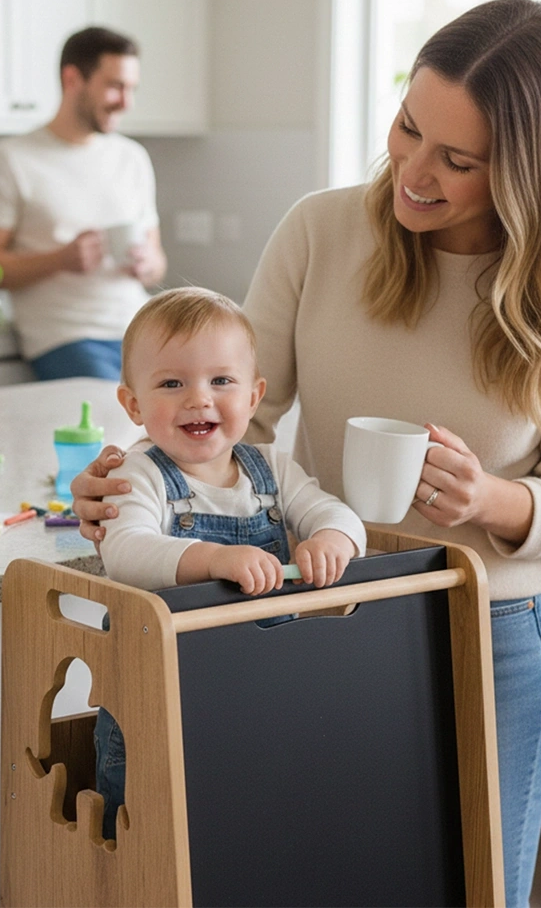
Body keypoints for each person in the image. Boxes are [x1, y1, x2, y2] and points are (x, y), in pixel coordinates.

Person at [71, 0, 541, 907]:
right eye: (409, 127)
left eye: (457, 160)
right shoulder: (322, 231)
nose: (412, 170)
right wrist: (137, 480)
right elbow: (235, 420)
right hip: (333, 620)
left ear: (531, 173)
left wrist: (487, 499)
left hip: (495, 636)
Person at [92, 285, 366, 840]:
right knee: (149, 837)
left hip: (259, 696)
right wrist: (215, 558)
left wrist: (332, 540)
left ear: (254, 395)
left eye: (221, 381)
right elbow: (125, 551)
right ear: (133, 404)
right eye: (172, 383)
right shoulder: (137, 474)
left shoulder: (273, 468)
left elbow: (337, 514)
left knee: (246, 828)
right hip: (155, 701)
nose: (199, 399)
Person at [0, 26, 168, 382]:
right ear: (72, 79)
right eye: (115, 86)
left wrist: (148, 264)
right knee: (115, 414)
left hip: (141, 331)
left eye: (131, 88)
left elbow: (157, 263)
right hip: (67, 339)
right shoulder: (10, 160)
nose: (127, 102)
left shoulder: (132, 158)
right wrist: (60, 260)